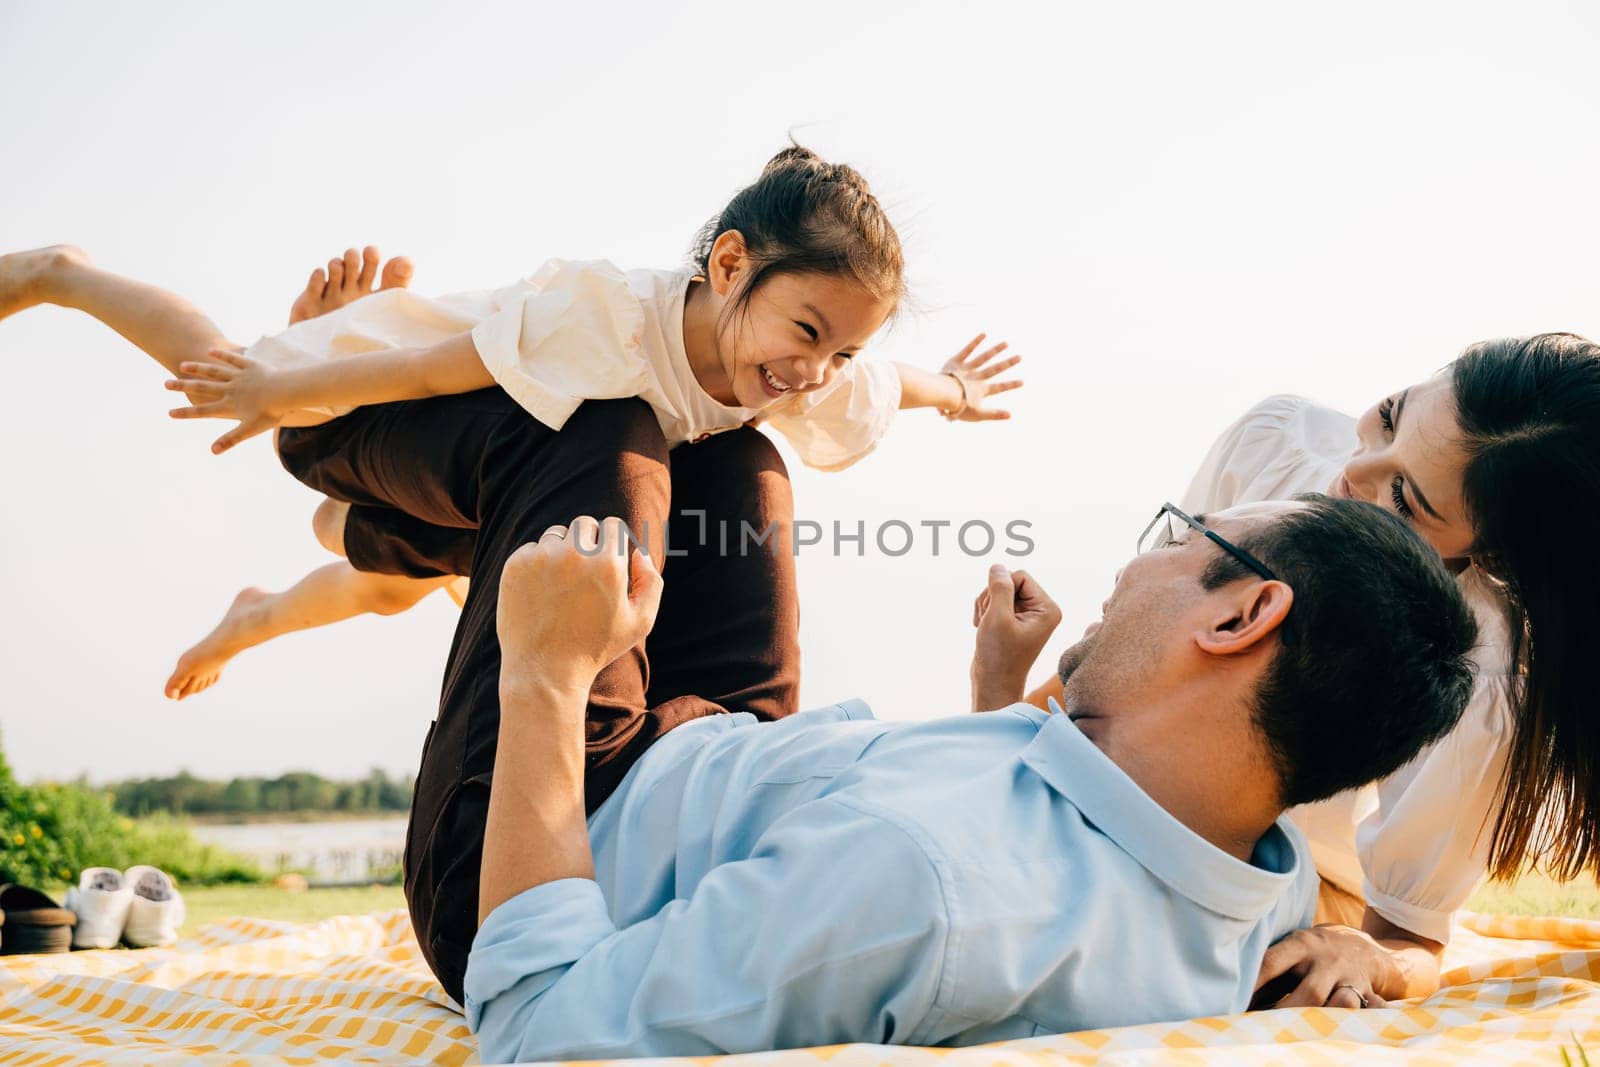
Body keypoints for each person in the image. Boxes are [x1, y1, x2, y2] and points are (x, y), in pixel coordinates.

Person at [462, 496, 1477, 1061]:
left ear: (1239, 616)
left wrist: (545, 673)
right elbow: (1053, 869)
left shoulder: (916, 881)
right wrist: (1000, 686)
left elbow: (539, 1026)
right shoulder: (1268, 882)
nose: (1132, 568)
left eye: (1179, 535)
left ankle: (352, 499)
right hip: (744, 750)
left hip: (571, 810)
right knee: (738, 458)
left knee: (604, 436)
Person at [0, 145, 1022, 699]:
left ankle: (255, 612)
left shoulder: (803, 370)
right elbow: (444, 364)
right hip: (417, 397)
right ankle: (65, 271)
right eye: (807, 331)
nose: (814, 371)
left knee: (390, 586)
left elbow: (889, 383)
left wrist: (955, 391)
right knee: (223, 370)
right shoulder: (615, 316)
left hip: (509, 475)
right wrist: (290, 383)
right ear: (727, 266)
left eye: (839, 348)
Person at [1026, 334, 1600, 1009]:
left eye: (1406, 500)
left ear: (1491, 554)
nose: (1355, 473)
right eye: (1391, 416)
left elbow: (1409, 938)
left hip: (1266, 888)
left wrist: (1364, 953)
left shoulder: (1480, 673)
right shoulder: (1274, 444)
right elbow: (1133, 638)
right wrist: (993, 723)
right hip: (1106, 790)